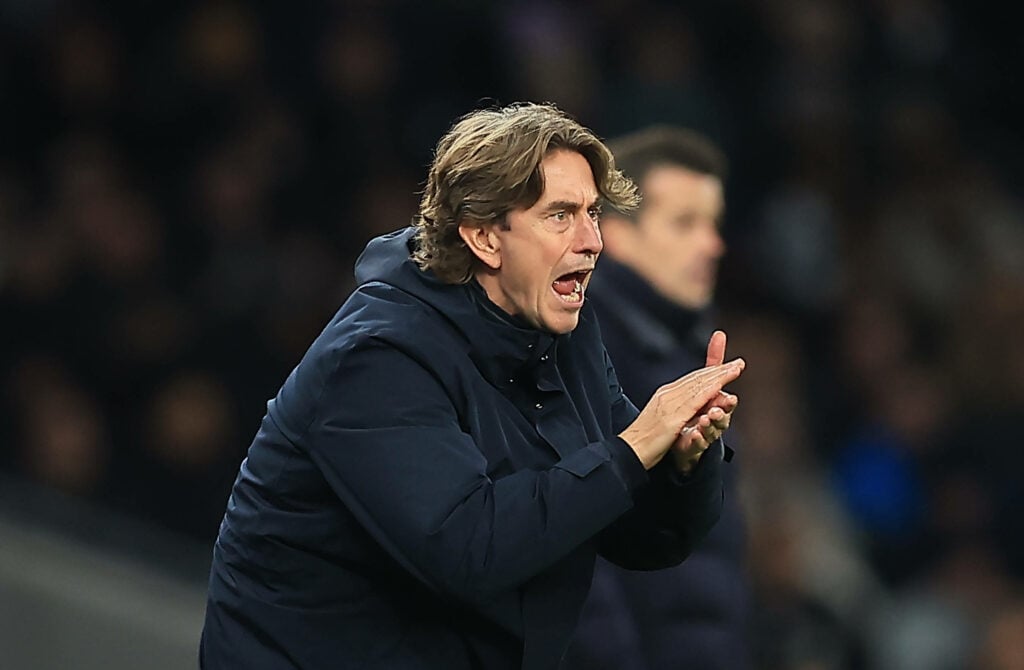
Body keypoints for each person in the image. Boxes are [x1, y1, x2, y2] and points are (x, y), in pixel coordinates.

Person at [199, 103, 745, 670]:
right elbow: (466, 548)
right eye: (560, 215)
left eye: (593, 213)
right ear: (485, 238)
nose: (592, 240)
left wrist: (685, 462)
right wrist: (635, 447)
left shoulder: (566, 338)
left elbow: (638, 535)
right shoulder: (376, 359)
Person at [564, 125, 752, 669]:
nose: (712, 244)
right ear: (618, 235)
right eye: (685, 223)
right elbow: (579, 553)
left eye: (713, 224)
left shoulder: (680, 347)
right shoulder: (583, 349)